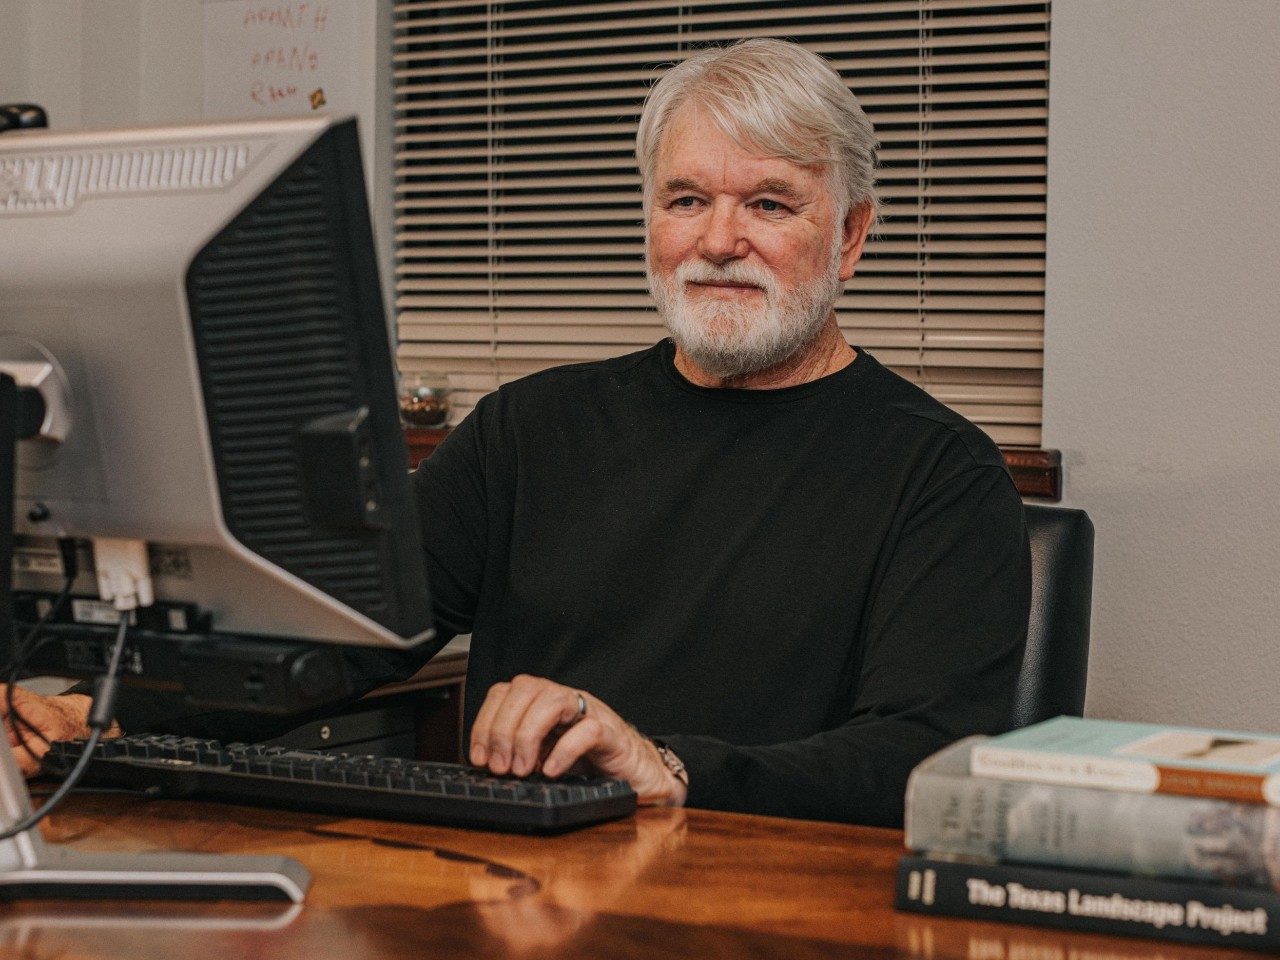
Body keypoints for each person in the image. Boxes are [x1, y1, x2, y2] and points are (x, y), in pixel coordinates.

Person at [0, 39, 1030, 827]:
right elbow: (334, 634)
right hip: (508, 893)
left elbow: (928, 755)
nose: (718, 241)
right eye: (685, 200)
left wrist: (663, 767)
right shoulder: (529, 429)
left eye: (769, 203)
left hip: (756, 897)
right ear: (647, 221)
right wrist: (110, 718)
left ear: (850, 236)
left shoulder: (938, 473)